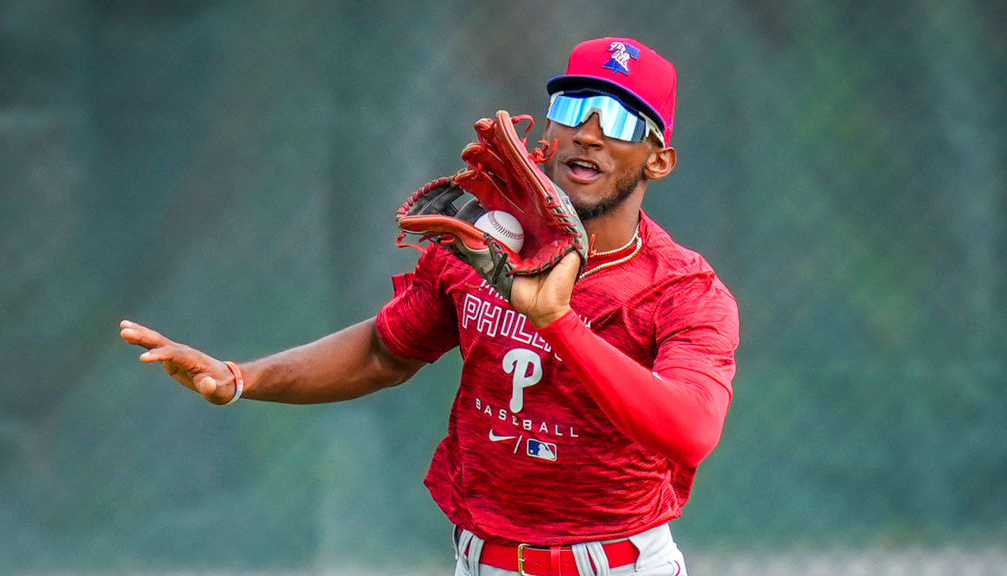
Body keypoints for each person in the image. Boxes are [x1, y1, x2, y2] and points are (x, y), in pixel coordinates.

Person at [120, 37, 739, 576]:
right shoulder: (486, 246)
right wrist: (240, 377)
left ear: (658, 159)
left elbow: (691, 431)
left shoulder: (682, 290)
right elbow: (385, 351)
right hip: (479, 559)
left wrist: (558, 321)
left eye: (620, 119)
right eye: (574, 109)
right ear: (548, 137)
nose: (589, 132)